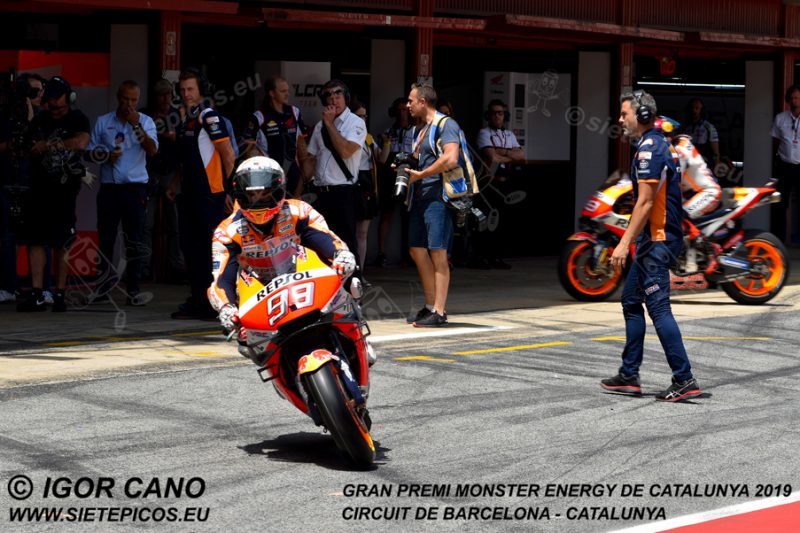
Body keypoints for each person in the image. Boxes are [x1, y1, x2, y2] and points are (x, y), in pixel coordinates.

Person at [206, 156, 362, 361]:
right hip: (259, 289)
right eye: (251, 195)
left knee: (349, 273)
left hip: (302, 275)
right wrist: (226, 307)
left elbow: (325, 238)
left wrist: (340, 254)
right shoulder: (226, 232)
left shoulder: (298, 210)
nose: (258, 201)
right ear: (239, 195)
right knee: (245, 341)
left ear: (279, 190)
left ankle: (356, 332)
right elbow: (221, 278)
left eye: (265, 194)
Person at [600, 90, 702, 402]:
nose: (620, 119)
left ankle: (684, 378)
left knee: (658, 307)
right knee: (631, 300)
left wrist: (623, 243)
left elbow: (644, 203)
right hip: (655, 239)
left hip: (658, 239)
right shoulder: (657, 144)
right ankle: (629, 375)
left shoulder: (649, 150)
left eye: (624, 113)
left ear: (642, 116)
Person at [16, 76, 91, 312]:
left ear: (69, 99)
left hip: (64, 191)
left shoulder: (78, 118)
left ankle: (60, 293)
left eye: (59, 105)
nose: (55, 110)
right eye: (51, 105)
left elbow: (81, 142)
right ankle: (38, 293)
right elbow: (26, 146)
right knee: (36, 240)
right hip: (39, 189)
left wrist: (48, 145)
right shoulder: (39, 119)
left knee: (62, 242)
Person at [167, 69, 236, 319]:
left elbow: (229, 155)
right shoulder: (187, 119)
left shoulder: (208, 117)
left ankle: (213, 303)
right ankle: (197, 299)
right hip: (189, 195)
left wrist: (226, 189)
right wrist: (174, 184)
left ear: (200, 90)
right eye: (183, 89)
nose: (186, 94)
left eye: (191, 89)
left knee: (210, 251)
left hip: (210, 196)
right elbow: (187, 160)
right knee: (191, 249)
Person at [89, 80, 158, 305]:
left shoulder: (146, 121)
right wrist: (105, 155)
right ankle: (102, 287)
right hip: (109, 188)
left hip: (135, 189)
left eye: (133, 100)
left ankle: (134, 289)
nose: (128, 104)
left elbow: (153, 150)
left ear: (138, 101)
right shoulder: (103, 122)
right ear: (118, 98)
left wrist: (136, 126)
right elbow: (89, 152)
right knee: (106, 238)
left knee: (134, 240)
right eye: (125, 99)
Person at [404, 83, 461, 328]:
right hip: (420, 195)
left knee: (438, 252)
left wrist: (422, 173)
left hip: (439, 195)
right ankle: (429, 307)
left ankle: (439, 311)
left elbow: (451, 157)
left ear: (423, 101)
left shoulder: (446, 124)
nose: (408, 105)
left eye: (411, 100)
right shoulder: (419, 130)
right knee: (416, 249)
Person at [302, 79, 365, 270]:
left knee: (346, 242)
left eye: (338, 94)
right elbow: (311, 160)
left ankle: (354, 286)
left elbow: (346, 151)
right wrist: (297, 193)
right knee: (321, 242)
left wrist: (329, 124)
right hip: (321, 192)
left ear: (345, 97)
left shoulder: (356, 123)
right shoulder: (320, 126)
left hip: (343, 192)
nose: (333, 99)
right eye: (329, 95)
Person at [473, 99, 526, 269]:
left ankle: (496, 257)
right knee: (486, 220)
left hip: (505, 184)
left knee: (502, 222)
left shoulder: (509, 135)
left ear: (505, 116)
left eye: (500, 113)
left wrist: (501, 152)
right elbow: (492, 157)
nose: (497, 116)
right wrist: (509, 154)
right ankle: (481, 257)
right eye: (494, 113)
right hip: (488, 183)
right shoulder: (483, 133)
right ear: (488, 115)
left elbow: (522, 155)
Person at [141, 78, 184, 283]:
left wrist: (169, 135)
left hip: (171, 173)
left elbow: (182, 142)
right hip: (149, 172)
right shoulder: (145, 114)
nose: (166, 98)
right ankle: (143, 268)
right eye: (161, 94)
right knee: (146, 224)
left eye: (168, 94)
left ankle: (176, 268)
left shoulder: (177, 114)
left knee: (175, 225)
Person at [242, 75, 308, 198]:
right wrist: (258, 183)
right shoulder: (259, 117)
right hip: (269, 179)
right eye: (283, 91)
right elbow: (248, 154)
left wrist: (301, 186)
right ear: (272, 93)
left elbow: (302, 151)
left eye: (288, 90)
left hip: (294, 176)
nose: (287, 94)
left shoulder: (294, 112)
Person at [375, 96, 415, 267]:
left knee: (409, 215)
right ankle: (381, 253)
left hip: (409, 173)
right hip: (390, 175)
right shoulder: (388, 131)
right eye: (398, 110)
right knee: (386, 214)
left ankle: (410, 254)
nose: (402, 113)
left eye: (404, 109)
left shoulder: (417, 131)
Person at [349, 100, 379, 279]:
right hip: (351, 181)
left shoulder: (368, 137)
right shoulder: (345, 134)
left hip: (367, 182)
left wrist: (388, 144)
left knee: (363, 232)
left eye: (365, 116)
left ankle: (360, 272)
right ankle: (349, 272)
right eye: (359, 115)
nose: (363, 119)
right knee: (349, 230)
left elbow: (381, 158)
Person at [770, 85, 800, 245]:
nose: (794, 101)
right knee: (780, 205)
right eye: (792, 98)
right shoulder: (780, 118)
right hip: (784, 166)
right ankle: (778, 243)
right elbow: (775, 141)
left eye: (797, 97)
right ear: (788, 100)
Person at [680, 97, 720, 168]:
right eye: (692, 108)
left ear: (702, 110)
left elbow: (716, 153)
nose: (694, 110)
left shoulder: (709, 127)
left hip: (703, 165)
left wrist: (716, 167)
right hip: (687, 164)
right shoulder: (683, 126)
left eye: (697, 108)